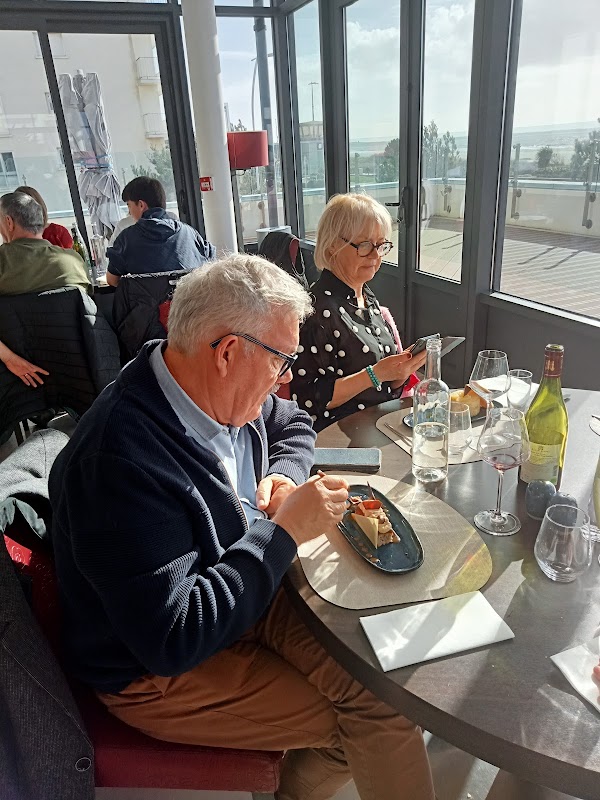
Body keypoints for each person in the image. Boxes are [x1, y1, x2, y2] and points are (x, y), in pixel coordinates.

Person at [49, 253, 435, 800]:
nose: (287, 377)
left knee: (384, 697)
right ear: (229, 351)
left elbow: (294, 423)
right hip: (153, 669)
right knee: (365, 720)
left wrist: (279, 477)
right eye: (282, 361)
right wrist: (281, 536)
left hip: (237, 582)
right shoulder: (119, 462)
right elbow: (173, 638)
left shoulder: (205, 385)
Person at [290, 193, 427, 431]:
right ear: (333, 245)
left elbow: (383, 386)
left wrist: (399, 373)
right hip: (342, 440)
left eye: (381, 245)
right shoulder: (316, 311)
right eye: (364, 245)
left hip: (382, 426)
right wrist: (375, 374)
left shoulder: (366, 298)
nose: (375, 255)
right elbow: (306, 399)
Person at [0, 191, 91, 384]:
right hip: (77, 371)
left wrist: (9, 359)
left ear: (9, 222)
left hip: (16, 380)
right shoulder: (72, 261)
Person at [105, 176, 215, 286]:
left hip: (146, 303)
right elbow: (211, 265)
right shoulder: (190, 233)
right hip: (188, 301)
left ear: (141, 205)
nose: (129, 212)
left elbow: (112, 280)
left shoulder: (126, 239)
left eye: (129, 205)